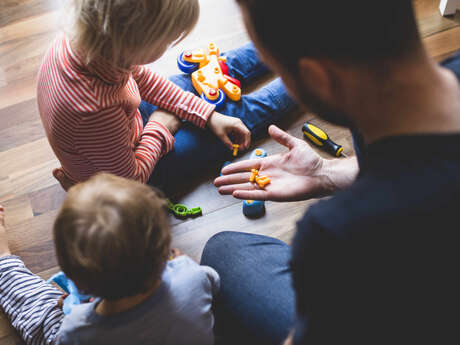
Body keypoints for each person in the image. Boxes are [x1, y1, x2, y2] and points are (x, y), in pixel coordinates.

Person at [204, 0, 460, 344]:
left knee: (225, 253)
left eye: (275, 67)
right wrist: (326, 173)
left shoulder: (340, 234)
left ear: (317, 79)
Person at [39, 0, 295, 192]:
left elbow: (142, 79)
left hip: (125, 123)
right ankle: (308, 76)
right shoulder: (93, 109)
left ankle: (292, 34)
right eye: (167, 41)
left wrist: (207, 114)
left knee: (210, 74)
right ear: (133, 44)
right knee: (236, 118)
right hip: (129, 179)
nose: (170, 45)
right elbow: (132, 178)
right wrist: (160, 129)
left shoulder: (89, 46)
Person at [0, 173, 220, 345]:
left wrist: (70, 305)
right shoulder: (192, 275)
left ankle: (3, 261)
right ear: (166, 249)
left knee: (44, 322)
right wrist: (178, 263)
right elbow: (212, 284)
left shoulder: (77, 329)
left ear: (76, 283)